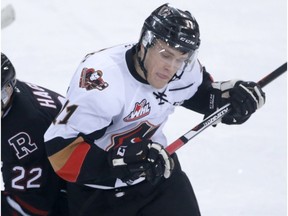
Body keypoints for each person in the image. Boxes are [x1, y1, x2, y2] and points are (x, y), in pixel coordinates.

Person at [44, 3, 265, 216]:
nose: (171, 67)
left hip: (157, 177)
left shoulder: (182, 72)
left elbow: (201, 95)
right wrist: (119, 160)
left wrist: (230, 102)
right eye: (166, 54)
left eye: (181, 59)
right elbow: (60, 154)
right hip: (99, 193)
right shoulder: (102, 81)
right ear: (144, 43)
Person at [1, 53, 69, 216]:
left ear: (9, 88)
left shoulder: (22, 132)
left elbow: (31, 202)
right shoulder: (13, 96)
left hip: (72, 186)